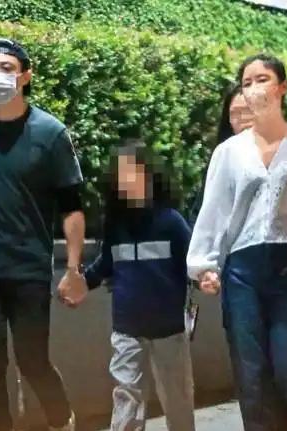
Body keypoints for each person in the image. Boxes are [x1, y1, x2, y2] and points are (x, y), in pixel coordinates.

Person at [187, 53, 287, 431]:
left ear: (282, 87)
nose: (254, 88)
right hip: (241, 272)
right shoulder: (228, 152)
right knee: (251, 375)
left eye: (262, 79)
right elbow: (214, 211)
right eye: (247, 82)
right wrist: (204, 266)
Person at [0, 38, 86, 431]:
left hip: (28, 269)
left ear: (25, 76)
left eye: (6, 68)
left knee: (33, 361)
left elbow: (72, 206)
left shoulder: (50, 133)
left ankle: (62, 421)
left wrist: (73, 268)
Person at [84, 139, 195, 431]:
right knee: (126, 396)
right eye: (122, 176)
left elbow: (193, 259)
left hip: (169, 329)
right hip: (127, 328)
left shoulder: (171, 222)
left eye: (134, 173)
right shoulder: (116, 226)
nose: (128, 181)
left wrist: (205, 275)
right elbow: (106, 263)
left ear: (149, 176)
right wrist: (83, 282)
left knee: (177, 398)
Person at [188, 83, 254, 226]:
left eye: (248, 110)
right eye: (235, 113)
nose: (242, 118)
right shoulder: (221, 157)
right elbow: (201, 214)